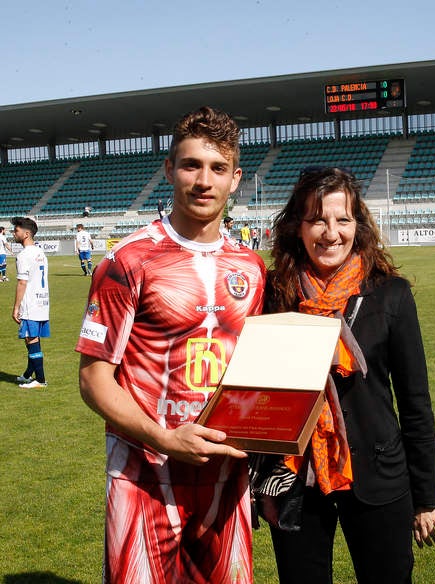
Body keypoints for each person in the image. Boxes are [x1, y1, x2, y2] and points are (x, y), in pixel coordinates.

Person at [75, 106, 266, 584]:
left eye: (218, 168)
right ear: (169, 169)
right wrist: (164, 438)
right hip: (144, 478)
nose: (204, 180)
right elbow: (93, 378)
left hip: (225, 482)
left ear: (235, 178)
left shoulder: (251, 267)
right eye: (191, 165)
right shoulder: (127, 261)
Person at [250, 166, 435, 584]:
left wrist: (427, 498)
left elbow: (415, 403)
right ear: (297, 227)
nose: (331, 232)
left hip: (378, 475)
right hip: (294, 478)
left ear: (359, 226)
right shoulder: (273, 293)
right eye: (318, 219)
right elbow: (257, 395)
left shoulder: (391, 294)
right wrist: (258, 482)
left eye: (343, 220)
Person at [11, 216, 50, 388]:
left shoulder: (24, 255)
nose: (14, 233)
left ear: (26, 234)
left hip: (31, 303)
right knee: (31, 338)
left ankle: (40, 380)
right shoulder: (40, 252)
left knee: (31, 339)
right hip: (43, 301)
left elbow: (22, 282)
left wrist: (16, 307)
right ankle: (28, 374)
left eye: (16, 230)